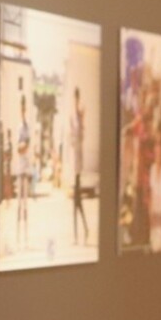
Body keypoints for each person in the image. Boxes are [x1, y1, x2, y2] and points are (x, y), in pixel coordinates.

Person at [69, 86, 89, 245]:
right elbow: (71, 136)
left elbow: (81, 136)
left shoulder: (80, 117)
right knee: (76, 203)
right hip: (74, 158)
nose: (75, 101)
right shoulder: (73, 117)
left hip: (78, 159)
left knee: (76, 202)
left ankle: (79, 233)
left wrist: (81, 122)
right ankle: (81, 231)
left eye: (77, 98)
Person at [15, 92, 31, 248]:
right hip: (20, 169)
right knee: (19, 203)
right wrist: (23, 145)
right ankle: (17, 235)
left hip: (25, 168)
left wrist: (24, 145)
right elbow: (19, 148)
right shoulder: (19, 127)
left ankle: (24, 236)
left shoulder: (27, 127)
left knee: (25, 204)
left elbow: (27, 145)